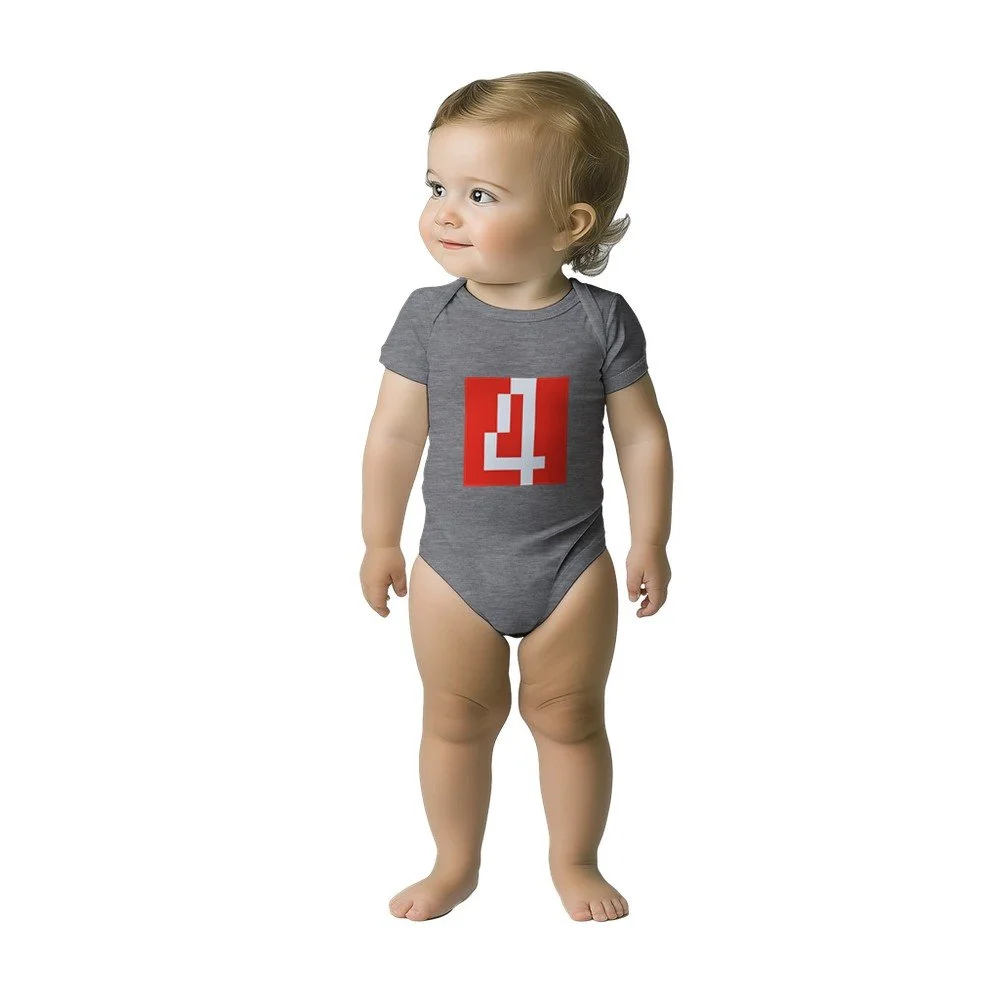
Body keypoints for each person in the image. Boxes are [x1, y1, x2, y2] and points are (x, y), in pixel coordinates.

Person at [360, 71, 673, 922]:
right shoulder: (428, 318)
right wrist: (380, 540)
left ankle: (576, 862)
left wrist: (650, 539)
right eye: (436, 186)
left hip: (570, 566)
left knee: (569, 716)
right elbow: (394, 436)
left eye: (480, 195)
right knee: (454, 719)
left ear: (570, 225)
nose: (445, 212)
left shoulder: (601, 321)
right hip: (453, 568)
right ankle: (453, 863)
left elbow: (641, 436)